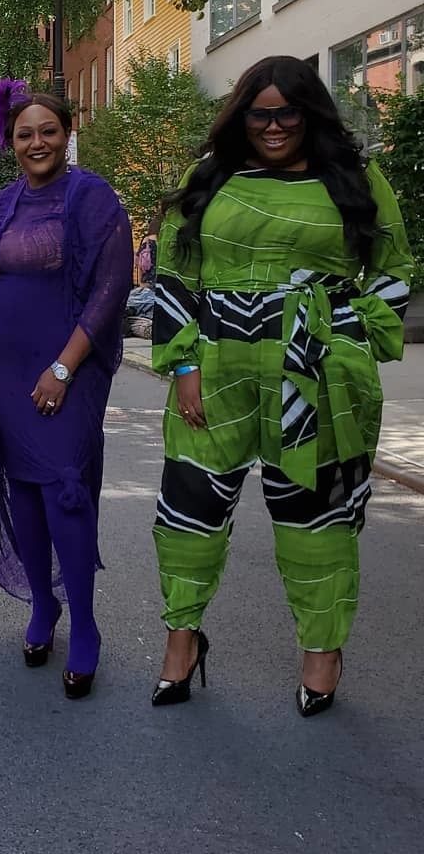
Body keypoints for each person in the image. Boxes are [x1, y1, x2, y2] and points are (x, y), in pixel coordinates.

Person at [151, 55, 413, 716]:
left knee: (312, 518)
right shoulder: (208, 176)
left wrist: (353, 334)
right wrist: (182, 364)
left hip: (317, 376)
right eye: (259, 114)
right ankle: (182, 639)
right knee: (189, 510)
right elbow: (176, 272)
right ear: (241, 116)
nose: (273, 126)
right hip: (216, 370)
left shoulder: (355, 177)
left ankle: (322, 653)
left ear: (310, 112)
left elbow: (394, 267)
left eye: (288, 112)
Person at [0, 81, 133, 699]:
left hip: (67, 369)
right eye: (24, 134)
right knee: (23, 492)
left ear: (67, 134)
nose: (36, 142)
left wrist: (63, 368)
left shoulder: (90, 195)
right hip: (6, 371)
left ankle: (85, 626)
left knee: (65, 490)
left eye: (48, 131)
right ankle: (43, 605)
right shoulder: (5, 200)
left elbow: (111, 288)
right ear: (10, 141)